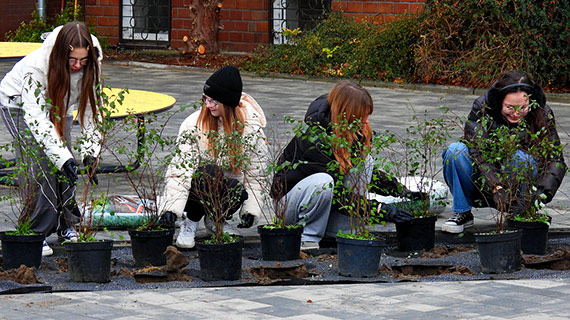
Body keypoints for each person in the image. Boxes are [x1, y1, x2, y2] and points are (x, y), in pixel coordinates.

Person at [270, 81, 418, 250]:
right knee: (323, 182)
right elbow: (338, 197)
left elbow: (363, 175)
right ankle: (307, 238)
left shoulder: (352, 134)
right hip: (289, 206)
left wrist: (400, 190)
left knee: (365, 161)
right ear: (347, 115)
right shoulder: (316, 143)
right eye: (362, 116)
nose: (366, 122)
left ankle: (342, 231)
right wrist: (379, 209)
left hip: (323, 200)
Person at [0, 22, 103, 256]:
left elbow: (93, 108)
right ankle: (36, 232)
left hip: (60, 105)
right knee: (41, 166)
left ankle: (67, 225)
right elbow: (36, 117)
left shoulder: (93, 58)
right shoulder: (37, 66)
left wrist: (91, 151)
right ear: (60, 55)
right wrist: (61, 157)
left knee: (68, 167)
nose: (78, 66)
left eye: (83, 61)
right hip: (19, 105)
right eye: (72, 60)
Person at [442, 70, 566, 233]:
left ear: (531, 102)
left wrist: (540, 196)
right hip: (484, 179)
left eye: (522, 108)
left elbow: (555, 159)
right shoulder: (483, 107)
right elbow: (476, 150)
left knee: (522, 158)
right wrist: (496, 186)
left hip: (521, 183)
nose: (516, 113)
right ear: (499, 101)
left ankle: (519, 214)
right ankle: (462, 212)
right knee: (455, 152)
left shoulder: (542, 112)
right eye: (510, 107)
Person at [158, 65, 268, 249]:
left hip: (226, 193)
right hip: (196, 192)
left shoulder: (251, 130)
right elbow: (180, 170)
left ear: (228, 104)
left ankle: (217, 220)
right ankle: (190, 223)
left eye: (214, 102)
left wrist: (251, 210)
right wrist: (171, 209)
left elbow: (257, 175)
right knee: (208, 172)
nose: (208, 105)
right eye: (206, 99)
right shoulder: (193, 124)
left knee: (236, 188)